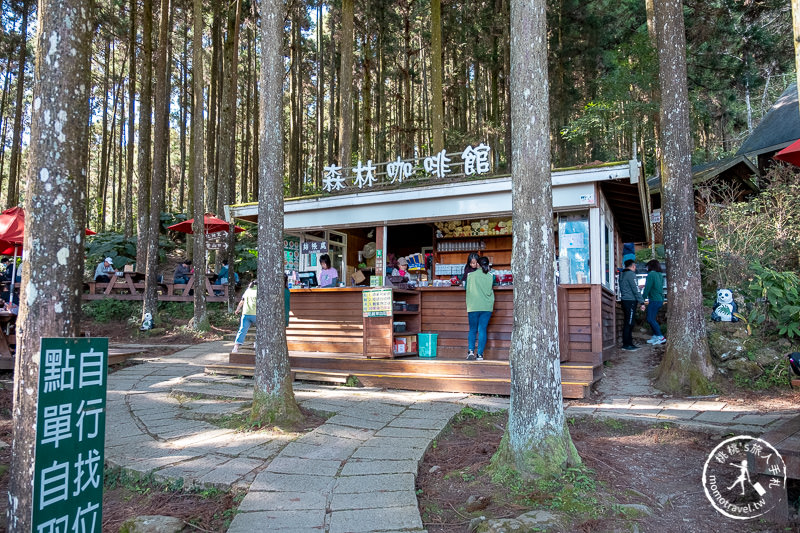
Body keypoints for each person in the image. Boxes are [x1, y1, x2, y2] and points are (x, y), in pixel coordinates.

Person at [465, 256, 495, 361]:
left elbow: (466, 288)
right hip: (487, 306)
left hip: (473, 306)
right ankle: (480, 355)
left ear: (477, 264)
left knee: (473, 329)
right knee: (482, 329)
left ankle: (471, 351)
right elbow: (493, 285)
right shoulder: (492, 276)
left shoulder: (470, 275)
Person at [619, 259, 644, 351]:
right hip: (630, 301)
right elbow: (635, 289)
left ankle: (628, 343)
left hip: (624, 300)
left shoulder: (622, 274)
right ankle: (627, 344)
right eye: (635, 266)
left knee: (627, 322)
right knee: (629, 323)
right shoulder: (631, 274)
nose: (635, 268)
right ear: (633, 266)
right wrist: (641, 301)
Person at [642, 259, 666, 345]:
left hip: (654, 300)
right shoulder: (660, 275)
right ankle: (656, 336)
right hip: (660, 299)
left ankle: (660, 336)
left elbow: (647, 288)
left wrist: (642, 299)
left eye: (647, 266)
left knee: (650, 319)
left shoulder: (651, 274)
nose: (646, 268)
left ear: (650, 266)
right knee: (652, 318)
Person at [232, 279, 258, 353]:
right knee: (260, 330)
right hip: (256, 314)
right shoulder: (259, 291)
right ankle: (257, 343)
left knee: (242, 330)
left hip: (245, 314)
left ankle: (235, 347)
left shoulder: (247, 291)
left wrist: (237, 309)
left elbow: (241, 302)